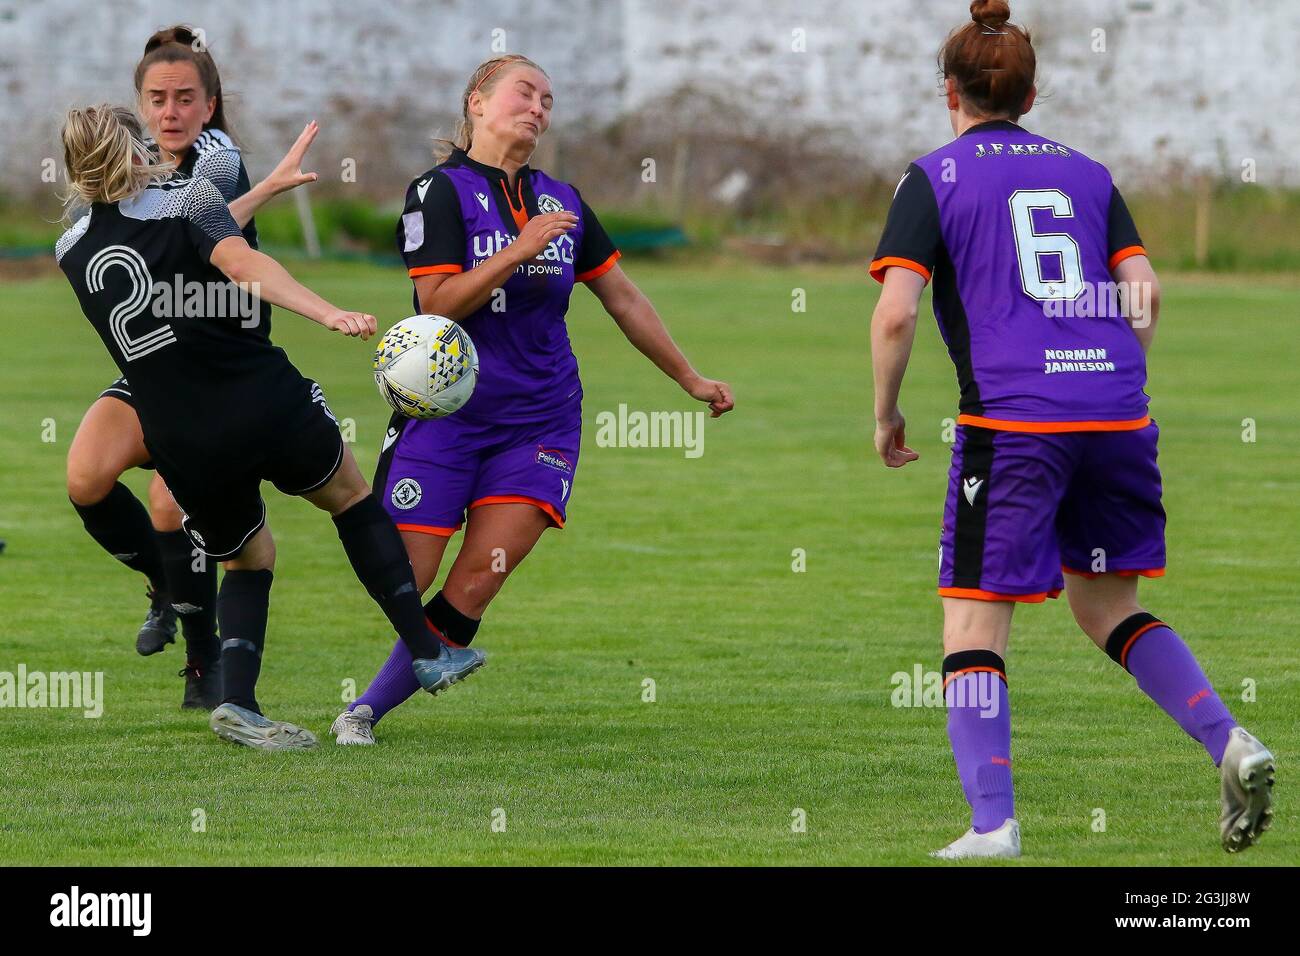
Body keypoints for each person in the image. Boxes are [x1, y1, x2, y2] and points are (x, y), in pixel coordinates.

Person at [869, 0, 1274, 857]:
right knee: (1108, 608)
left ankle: (992, 825)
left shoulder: (932, 176)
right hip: (1118, 415)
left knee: (972, 627)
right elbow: (1146, 291)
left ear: (949, 91)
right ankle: (1231, 741)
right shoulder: (1089, 174)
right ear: (1031, 93)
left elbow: (896, 315)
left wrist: (886, 410)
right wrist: (1124, 377)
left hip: (1012, 425)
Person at [329, 54, 734, 744]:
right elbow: (439, 302)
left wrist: (688, 378)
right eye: (525, 92)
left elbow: (623, 297)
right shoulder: (438, 192)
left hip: (540, 421)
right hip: (448, 419)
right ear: (477, 103)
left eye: (548, 99)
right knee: (407, 572)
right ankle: (403, 659)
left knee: (478, 580)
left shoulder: (564, 200)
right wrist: (517, 252)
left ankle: (363, 712)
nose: (539, 108)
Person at [56, 104, 472, 750]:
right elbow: (242, 265)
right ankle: (426, 651)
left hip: (178, 436)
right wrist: (327, 311)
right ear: (137, 151)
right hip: (257, 396)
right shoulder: (190, 195)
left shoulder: (70, 248)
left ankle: (238, 703)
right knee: (350, 498)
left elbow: (169, 255)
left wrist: (262, 191)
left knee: (249, 557)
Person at [65, 25, 318, 709]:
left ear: (210, 106)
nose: (170, 111)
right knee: (87, 476)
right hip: (159, 362)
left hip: (217, 359)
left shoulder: (214, 159)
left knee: (171, 501)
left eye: (184, 98)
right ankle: (166, 591)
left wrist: (260, 190)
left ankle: (205, 666)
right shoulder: (136, 162)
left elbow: (205, 233)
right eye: (156, 98)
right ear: (139, 106)